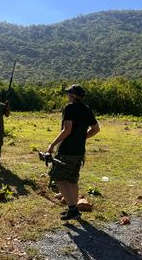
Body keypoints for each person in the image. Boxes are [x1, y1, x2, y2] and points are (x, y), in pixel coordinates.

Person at [47, 84, 100, 221]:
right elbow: (96, 129)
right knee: (72, 179)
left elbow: (67, 129)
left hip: (67, 150)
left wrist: (52, 144)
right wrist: (82, 138)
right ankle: (74, 206)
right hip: (79, 151)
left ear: (71, 95)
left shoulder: (69, 108)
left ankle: (72, 209)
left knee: (59, 177)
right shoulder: (86, 109)